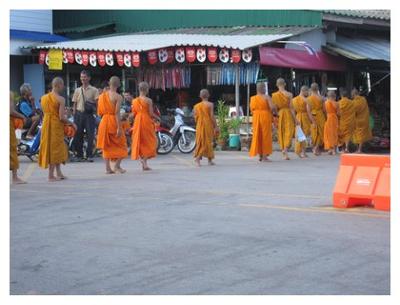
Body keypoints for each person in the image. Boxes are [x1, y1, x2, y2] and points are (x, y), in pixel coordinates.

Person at [38, 77, 77, 182]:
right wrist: (72, 123)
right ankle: (51, 175)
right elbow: (61, 117)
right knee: (54, 149)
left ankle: (59, 173)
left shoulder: (43, 98)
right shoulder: (61, 99)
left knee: (56, 148)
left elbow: (45, 112)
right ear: (58, 85)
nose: (63, 87)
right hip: (55, 125)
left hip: (46, 124)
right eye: (63, 85)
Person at [96, 76, 128, 174]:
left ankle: (108, 168)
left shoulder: (101, 96)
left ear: (109, 84)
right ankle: (117, 166)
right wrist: (119, 127)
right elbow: (117, 113)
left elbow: (99, 112)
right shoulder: (118, 97)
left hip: (104, 121)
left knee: (106, 145)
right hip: (113, 121)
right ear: (118, 85)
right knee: (123, 145)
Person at [131, 82, 160, 170]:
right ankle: (144, 160)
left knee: (140, 140)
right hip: (146, 120)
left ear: (139, 89)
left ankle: (144, 163)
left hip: (137, 121)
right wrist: (158, 117)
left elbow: (133, 113)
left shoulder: (134, 101)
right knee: (150, 141)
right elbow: (151, 113)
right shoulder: (148, 100)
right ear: (147, 90)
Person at [71, 70, 99, 162]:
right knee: (78, 135)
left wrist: (95, 112)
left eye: (85, 77)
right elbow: (74, 103)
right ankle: (79, 155)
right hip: (79, 114)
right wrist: (74, 114)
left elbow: (97, 103)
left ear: (89, 78)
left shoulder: (94, 90)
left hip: (89, 115)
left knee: (90, 135)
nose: (83, 79)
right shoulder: (77, 90)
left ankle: (89, 155)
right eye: (81, 77)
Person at [271, 78, 299, 160]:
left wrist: (275, 115)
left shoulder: (274, 95)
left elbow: (274, 108)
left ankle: (284, 151)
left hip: (280, 114)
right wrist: (295, 119)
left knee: (282, 132)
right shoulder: (289, 94)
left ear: (277, 85)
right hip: (288, 114)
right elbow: (291, 108)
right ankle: (285, 150)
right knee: (289, 132)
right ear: (285, 84)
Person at [249, 82, 275, 162]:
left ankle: (260, 155)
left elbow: (251, 109)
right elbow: (272, 108)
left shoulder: (252, 98)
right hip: (265, 116)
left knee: (257, 135)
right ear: (264, 88)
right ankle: (264, 156)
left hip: (256, 117)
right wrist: (275, 107)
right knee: (265, 136)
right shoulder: (267, 97)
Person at [193, 89, 218, 166]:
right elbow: (212, 116)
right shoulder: (210, 104)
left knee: (202, 142)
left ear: (200, 96)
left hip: (200, 125)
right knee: (208, 142)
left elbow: (195, 117)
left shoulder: (196, 106)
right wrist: (216, 126)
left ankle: (209, 160)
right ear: (208, 95)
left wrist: (199, 122)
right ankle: (198, 158)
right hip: (208, 125)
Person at [292, 86, 316, 158]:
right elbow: (308, 111)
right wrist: (313, 121)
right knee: (304, 135)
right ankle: (303, 152)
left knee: (299, 134)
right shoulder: (306, 100)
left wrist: (295, 119)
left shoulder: (294, 100)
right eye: (307, 92)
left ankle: (298, 151)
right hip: (305, 117)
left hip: (298, 116)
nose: (308, 93)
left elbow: (292, 111)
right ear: (304, 91)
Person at [10, 92, 27, 184]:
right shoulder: (9, 94)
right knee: (12, 149)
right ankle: (15, 177)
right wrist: (22, 116)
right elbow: (10, 111)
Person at [351, 88, 373, 153]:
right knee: (362, 134)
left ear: (353, 94)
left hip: (357, 120)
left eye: (352, 95)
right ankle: (359, 149)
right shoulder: (363, 99)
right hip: (364, 119)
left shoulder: (354, 102)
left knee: (356, 134)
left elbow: (354, 112)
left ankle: (359, 149)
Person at [308, 83, 326, 155]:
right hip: (320, 115)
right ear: (318, 89)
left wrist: (312, 120)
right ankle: (316, 148)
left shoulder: (308, 99)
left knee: (315, 132)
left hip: (312, 115)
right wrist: (326, 116)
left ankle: (315, 148)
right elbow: (324, 109)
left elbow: (308, 110)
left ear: (311, 89)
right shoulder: (321, 98)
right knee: (321, 132)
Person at [337, 87, 356, 153]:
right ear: (347, 96)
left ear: (341, 95)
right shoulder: (352, 103)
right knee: (348, 135)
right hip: (350, 121)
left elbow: (338, 113)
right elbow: (354, 111)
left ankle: (342, 148)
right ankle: (347, 148)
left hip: (342, 121)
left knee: (341, 134)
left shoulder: (339, 103)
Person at [324, 90, 339, 155]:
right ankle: (334, 150)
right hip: (334, 118)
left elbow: (324, 111)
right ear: (334, 96)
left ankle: (330, 149)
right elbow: (339, 113)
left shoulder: (325, 103)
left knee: (328, 134)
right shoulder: (336, 103)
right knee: (334, 133)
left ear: (328, 96)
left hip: (328, 118)